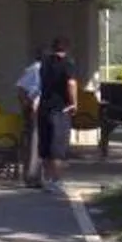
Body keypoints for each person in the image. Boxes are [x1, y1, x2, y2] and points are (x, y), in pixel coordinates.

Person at [36, 36, 78, 188]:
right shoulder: (68, 64)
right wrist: (74, 103)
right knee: (58, 147)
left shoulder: (44, 64)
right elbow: (71, 83)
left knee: (45, 146)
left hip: (44, 108)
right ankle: (56, 181)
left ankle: (46, 179)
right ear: (67, 48)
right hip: (60, 109)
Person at [13, 49, 44, 186]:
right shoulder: (35, 69)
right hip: (36, 109)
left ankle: (40, 177)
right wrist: (27, 104)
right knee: (34, 143)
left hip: (45, 109)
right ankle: (32, 177)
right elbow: (21, 88)